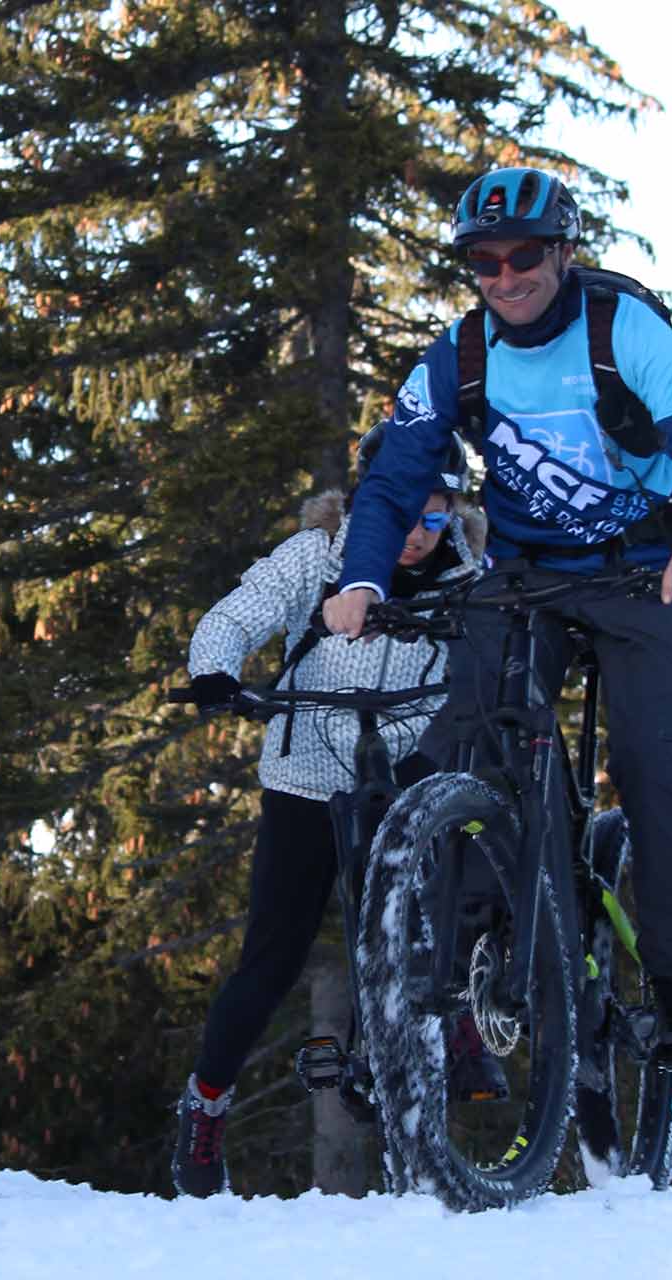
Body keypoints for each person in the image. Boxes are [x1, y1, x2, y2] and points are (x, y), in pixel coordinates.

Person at [322, 166, 672, 1077]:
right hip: (524, 574)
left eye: (523, 257)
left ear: (563, 253)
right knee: (461, 737)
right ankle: (467, 961)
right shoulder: (459, 355)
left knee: (653, 764)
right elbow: (396, 476)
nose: (505, 277)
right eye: (483, 261)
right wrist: (360, 579)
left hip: (645, 571)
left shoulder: (620, 328)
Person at [171, 434, 490, 1199]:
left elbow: (496, 659)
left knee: (456, 894)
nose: (416, 533)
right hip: (307, 776)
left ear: (455, 513)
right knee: (271, 959)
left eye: (435, 516)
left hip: (409, 766)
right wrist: (215, 672)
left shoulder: (471, 577)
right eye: (403, 511)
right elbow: (238, 613)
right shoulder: (318, 555)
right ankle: (206, 1103)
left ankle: (463, 1020)